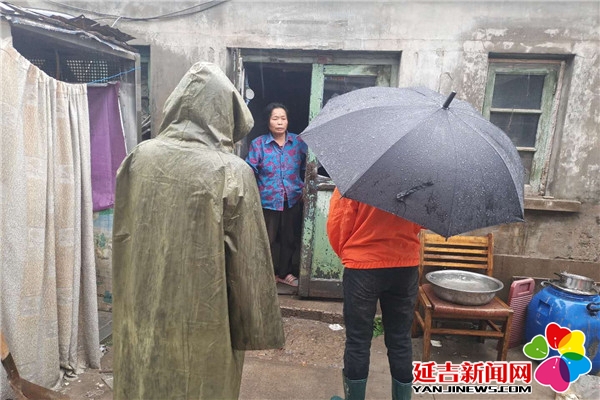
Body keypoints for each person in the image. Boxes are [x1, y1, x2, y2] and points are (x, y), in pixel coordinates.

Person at [111, 62, 285, 400]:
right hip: (205, 315)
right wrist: (256, 326)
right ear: (225, 114)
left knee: (143, 377)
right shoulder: (232, 172)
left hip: (143, 307)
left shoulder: (138, 158)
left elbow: (123, 237)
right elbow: (248, 262)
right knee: (201, 381)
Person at [327, 188, 422, 400]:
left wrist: (349, 252)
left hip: (363, 265)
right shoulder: (418, 179)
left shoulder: (356, 178)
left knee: (358, 340)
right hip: (404, 264)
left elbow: (339, 221)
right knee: (400, 339)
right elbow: (421, 221)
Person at [245, 103, 307, 287]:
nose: (280, 122)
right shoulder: (259, 144)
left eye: (283, 118)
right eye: (275, 118)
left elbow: (309, 166)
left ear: (287, 121)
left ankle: (284, 273)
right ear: (268, 121)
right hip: (267, 199)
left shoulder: (298, 142)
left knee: (289, 238)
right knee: (267, 239)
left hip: (292, 198)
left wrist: (304, 186)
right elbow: (249, 170)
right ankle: (266, 274)